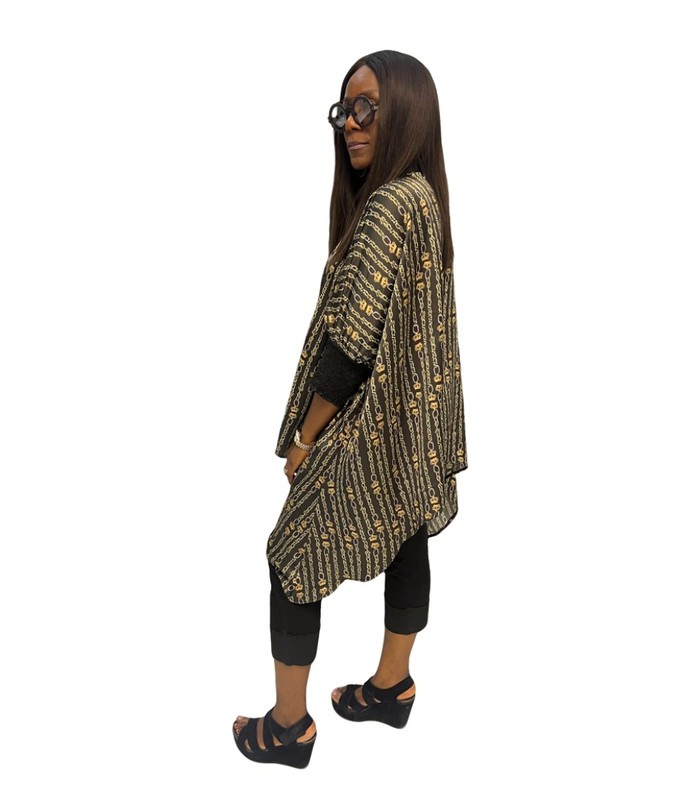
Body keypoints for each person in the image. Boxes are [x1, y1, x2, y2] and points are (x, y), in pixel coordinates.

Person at [232, 49, 468, 768]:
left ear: (409, 112)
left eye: (367, 107)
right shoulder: (425, 199)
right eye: (344, 109)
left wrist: (306, 439)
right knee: (406, 532)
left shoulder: (388, 205)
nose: (351, 123)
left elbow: (351, 343)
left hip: (368, 419)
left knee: (291, 554)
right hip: (415, 425)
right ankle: (392, 688)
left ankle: (288, 727)